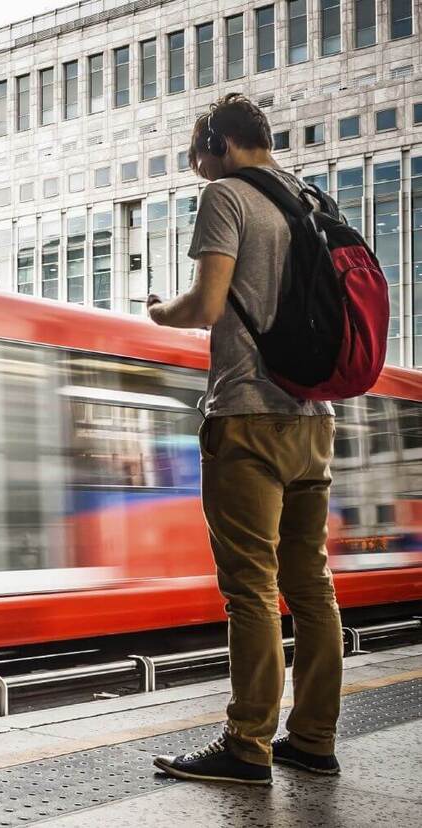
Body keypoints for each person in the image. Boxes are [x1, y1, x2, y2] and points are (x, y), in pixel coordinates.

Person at [148, 93, 343, 785]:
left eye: (199, 157)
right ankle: (314, 738)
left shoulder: (228, 196)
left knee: (251, 589)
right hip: (314, 420)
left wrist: (158, 313)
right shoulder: (310, 198)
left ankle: (247, 743)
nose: (200, 171)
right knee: (312, 587)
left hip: (248, 415)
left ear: (219, 143)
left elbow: (204, 304)